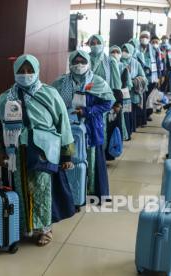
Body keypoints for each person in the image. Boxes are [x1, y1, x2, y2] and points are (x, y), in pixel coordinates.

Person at [0, 54, 74, 246]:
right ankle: (20, 226)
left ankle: (45, 229)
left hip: (43, 151)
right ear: (15, 72)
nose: (25, 74)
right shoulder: (5, 98)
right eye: (21, 71)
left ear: (37, 71)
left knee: (41, 189)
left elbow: (64, 125)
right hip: (14, 152)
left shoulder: (50, 94)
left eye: (29, 70)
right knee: (16, 188)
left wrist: (66, 154)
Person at [52, 50, 115, 203]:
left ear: (88, 63)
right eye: (75, 61)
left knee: (93, 159)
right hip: (68, 129)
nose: (79, 65)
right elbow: (52, 101)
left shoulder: (97, 82)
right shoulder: (61, 82)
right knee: (70, 158)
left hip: (91, 127)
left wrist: (88, 111)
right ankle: (71, 194)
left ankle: (94, 193)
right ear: (70, 63)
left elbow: (108, 102)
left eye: (82, 62)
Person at [120, 43, 148, 130]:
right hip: (121, 90)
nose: (124, 52)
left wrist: (133, 81)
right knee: (122, 111)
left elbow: (144, 78)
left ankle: (130, 130)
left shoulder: (136, 63)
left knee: (130, 112)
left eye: (127, 51)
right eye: (123, 50)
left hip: (132, 92)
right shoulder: (118, 61)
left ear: (131, 52)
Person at [138, 30, 162, 123]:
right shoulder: (136, 49)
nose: (144, 39)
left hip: (152, 77)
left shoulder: (154, 50)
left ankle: (147, 114)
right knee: (142, 98)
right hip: (140, 78)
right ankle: (141, 117)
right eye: (142, 36)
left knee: (149, 97)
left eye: (146, 37)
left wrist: (159, 77)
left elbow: (158, 63)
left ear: (149, 39)